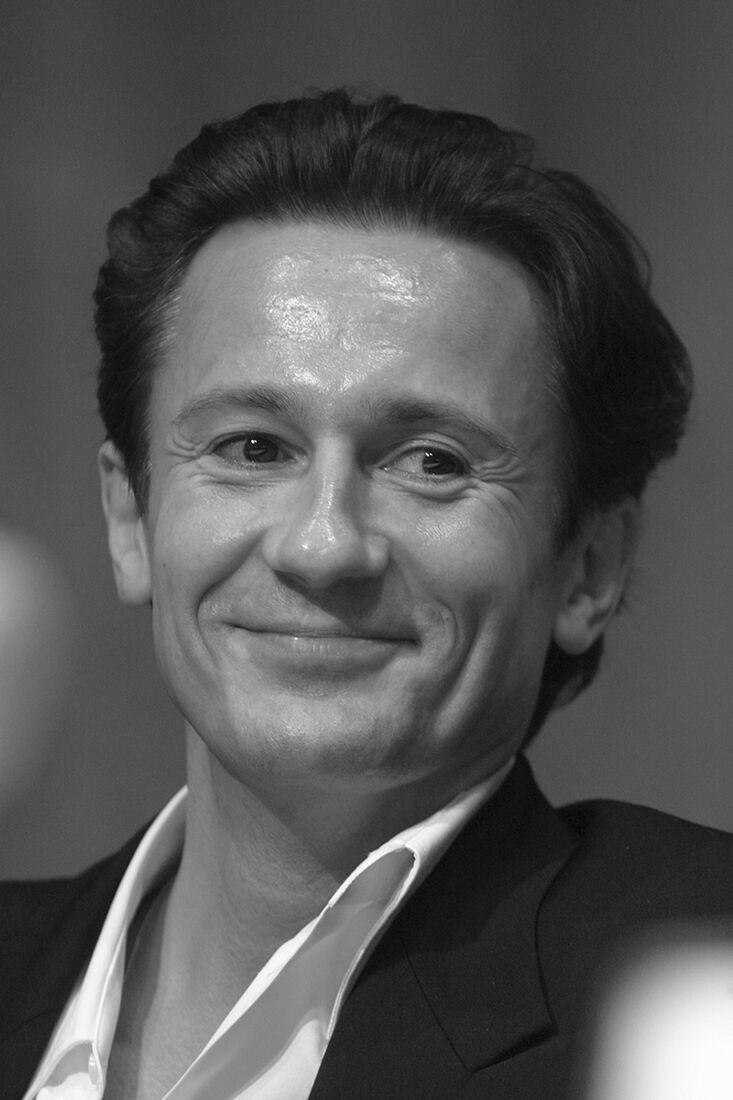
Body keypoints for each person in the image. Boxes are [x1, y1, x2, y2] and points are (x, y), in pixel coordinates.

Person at [3, 88, 732, 1100]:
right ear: (131, 517)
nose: (323, 544)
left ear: (589, 567)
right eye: (252, 448)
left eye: (432, 462)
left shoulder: (692, 989)